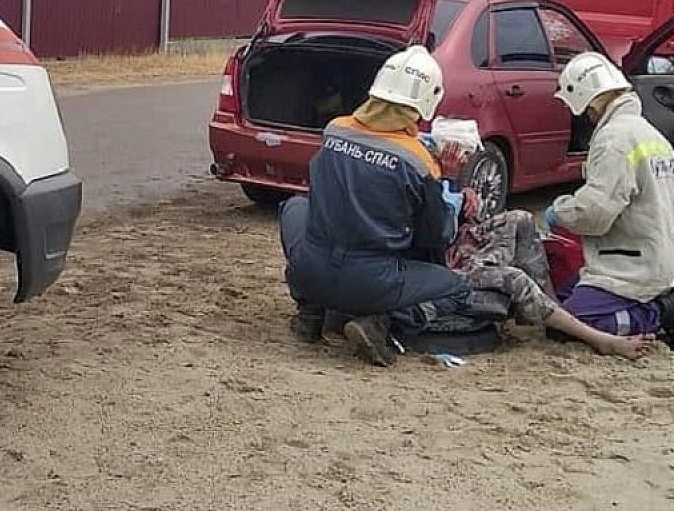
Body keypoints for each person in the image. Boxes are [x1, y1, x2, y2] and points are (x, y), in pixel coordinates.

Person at [279, 45, 471, 366]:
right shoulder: (418, 160)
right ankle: (381, 324)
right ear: (424, 103)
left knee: (295, 208)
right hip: (372, 282)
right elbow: (436, 235)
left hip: (309, 272)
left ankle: (310, 313)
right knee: (456, 289)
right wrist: (447, 181)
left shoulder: (334, 131)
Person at [545, 52, 674, 348]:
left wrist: (560, 212)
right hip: (651, 257)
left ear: (589, 101)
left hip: (629, 268)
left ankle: (657, 314)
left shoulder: (615, 140)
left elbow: (595, 214)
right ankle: (658, 299)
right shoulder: (649, 134)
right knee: (561, 295)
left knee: (567, 323)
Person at [446, 209, 654, 359]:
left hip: (454, 239)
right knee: (514, 278)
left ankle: (552, 308)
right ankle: (601, 340)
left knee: (521, 219)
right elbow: (431, 229)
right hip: (437, 262)